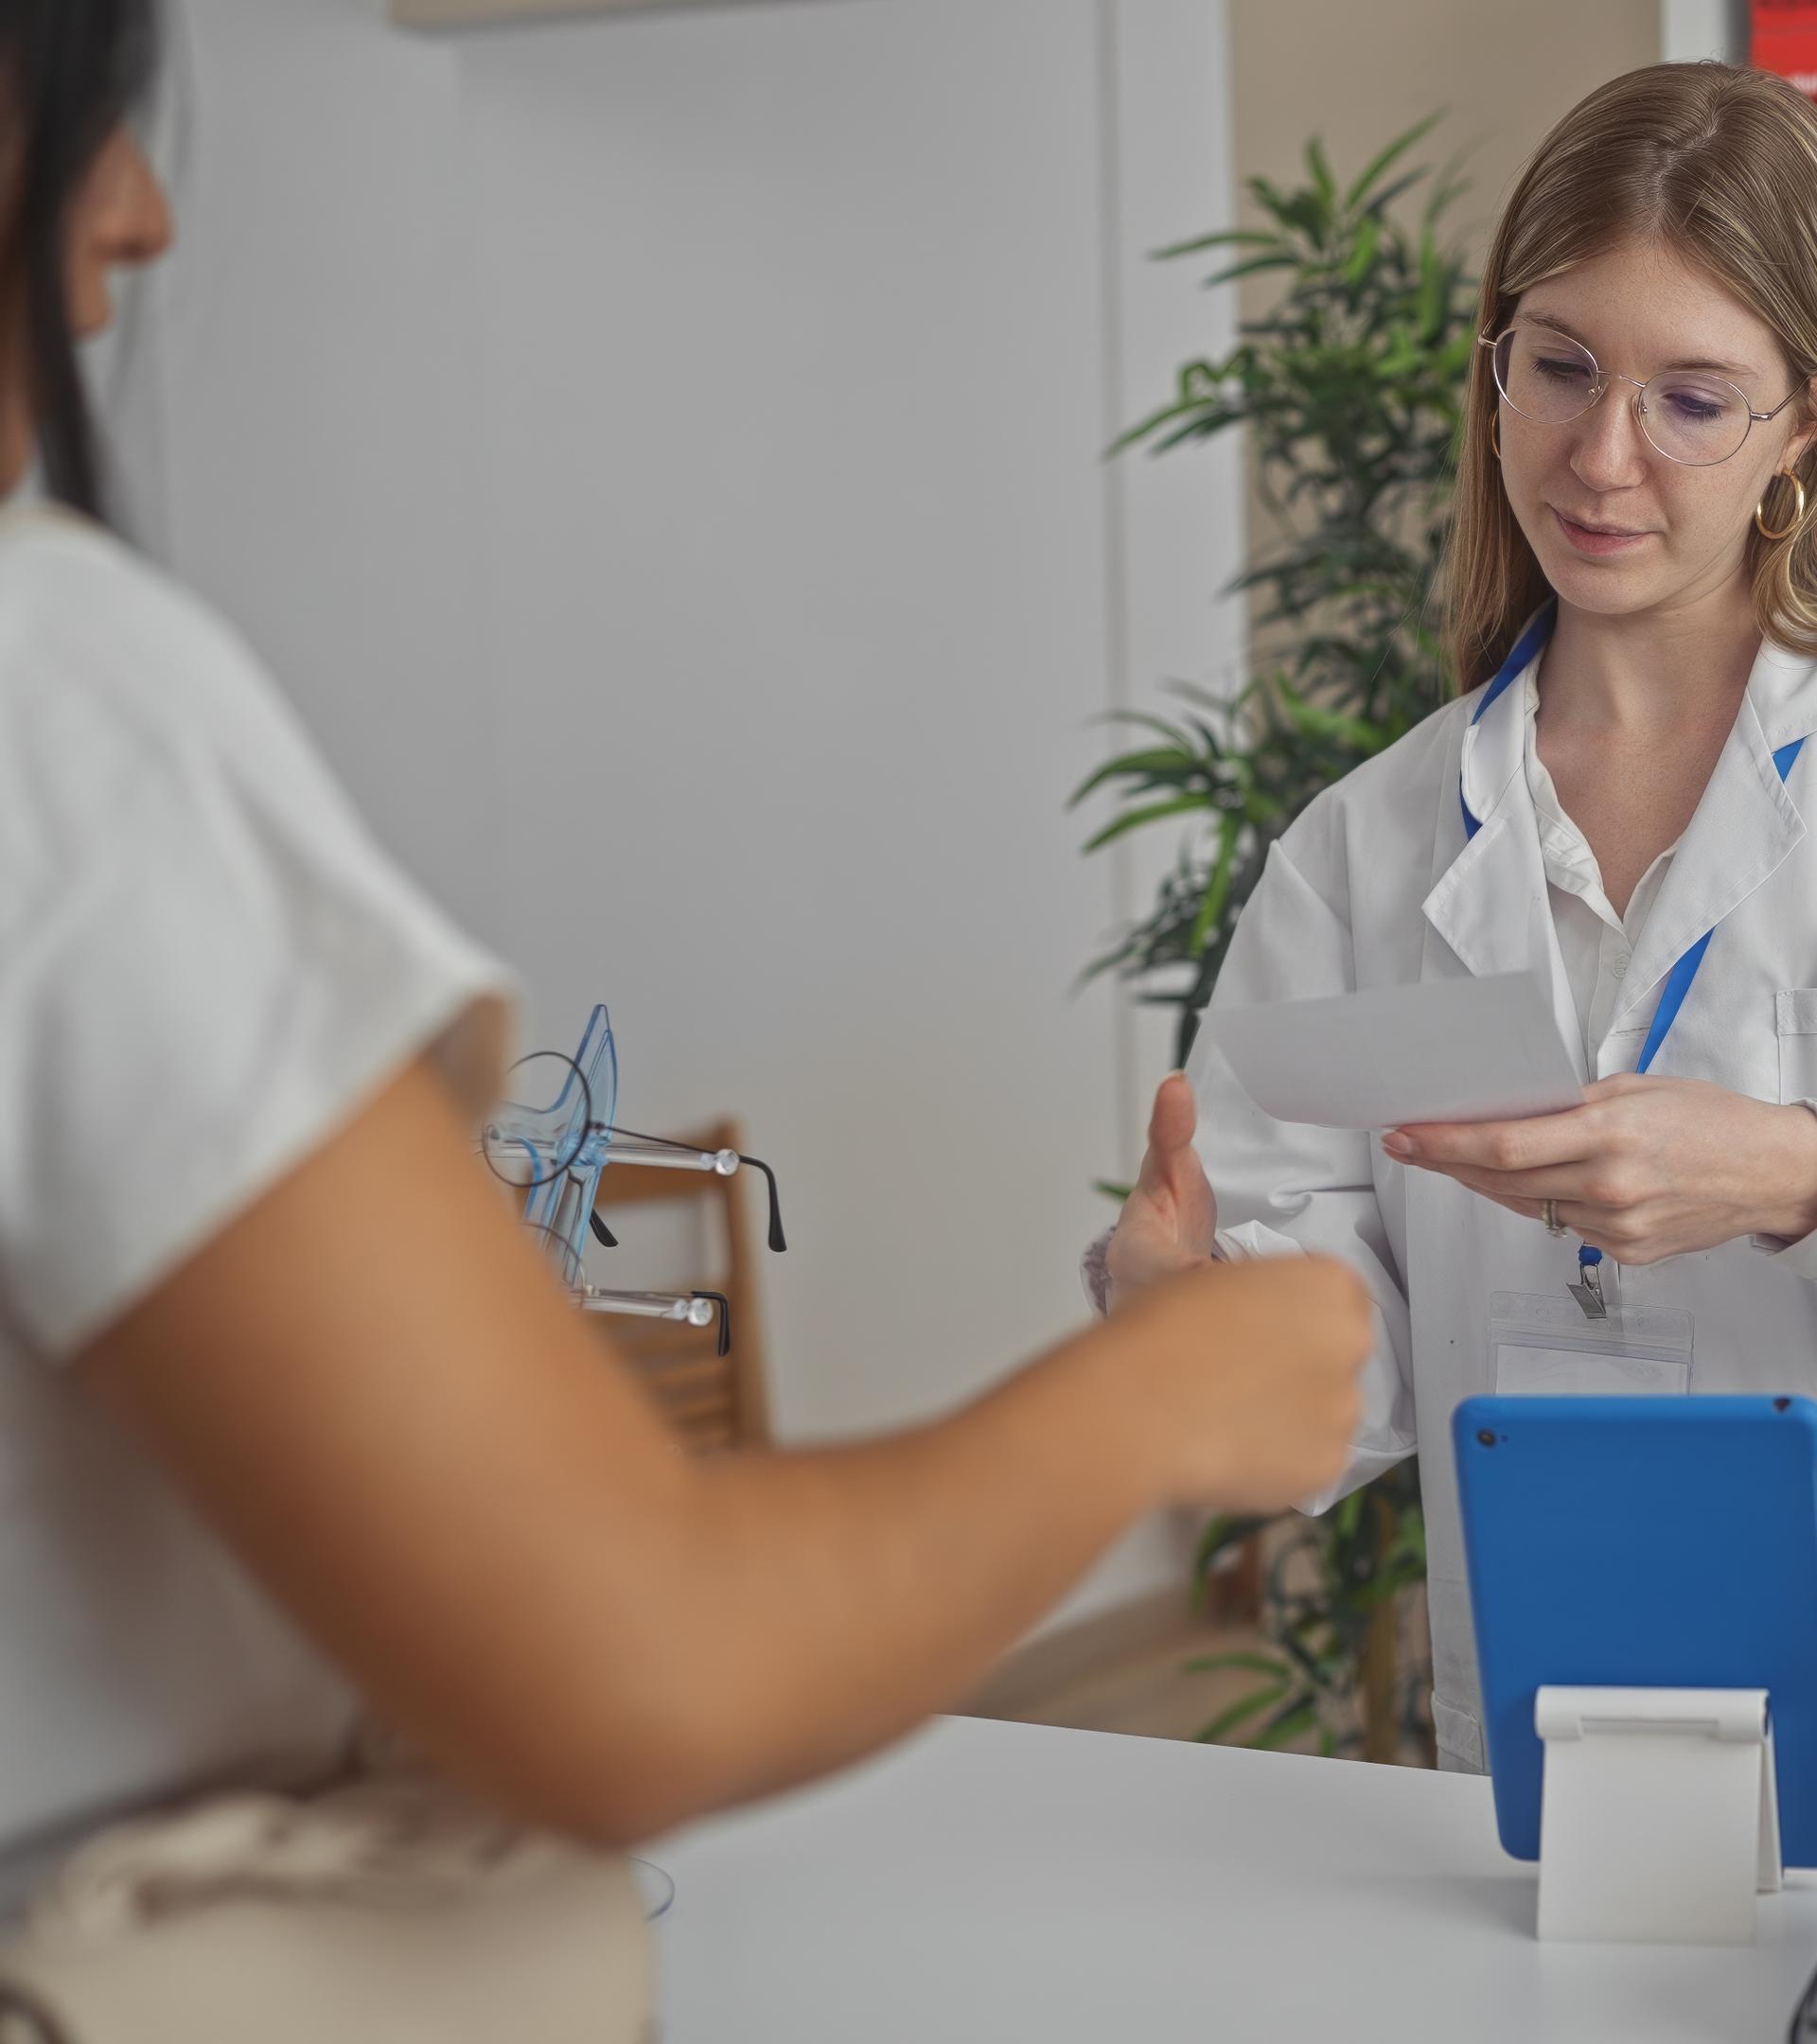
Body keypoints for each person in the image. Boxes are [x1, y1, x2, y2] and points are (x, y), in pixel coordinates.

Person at [0, 0, 1373, 1900]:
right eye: (1554, 374)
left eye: (1695, 394)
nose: (137, 215)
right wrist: (1168, 1388)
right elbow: (629, 1657)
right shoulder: (54, 707)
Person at [1102, 62, 1817, 1788]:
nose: (1601, 457)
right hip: (1600, 1725)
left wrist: (1812, 1179)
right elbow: (1342, 1363)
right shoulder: (1367, 850)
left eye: (1693, 399)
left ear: (1808, 421)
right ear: (1494, 362)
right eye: (1562, 366)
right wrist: (1184, 1322)